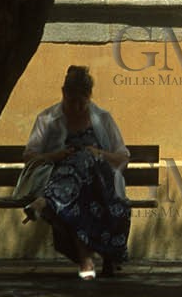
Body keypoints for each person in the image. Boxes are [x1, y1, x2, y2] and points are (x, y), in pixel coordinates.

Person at [22, 65, 132, 279]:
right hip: (66, 185)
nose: (76, 108)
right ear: (63, 93)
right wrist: (55, 156)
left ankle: (46, 202)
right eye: (71, 102)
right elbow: (29, 156)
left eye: (81, 103)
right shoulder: (48, 119)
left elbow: (122, 157)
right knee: (79, 196)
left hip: (101, 183)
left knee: (85, 157)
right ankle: (86, 259)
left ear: (89, 96)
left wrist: (98, 153)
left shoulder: (103, 119)